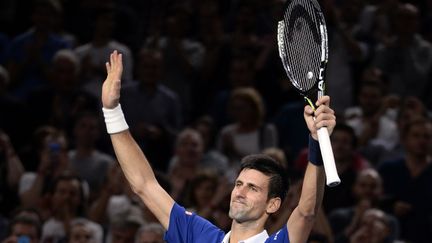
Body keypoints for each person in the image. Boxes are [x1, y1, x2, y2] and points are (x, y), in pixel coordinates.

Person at [100, 50, 336, 242]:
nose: (240, 192)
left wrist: (316, 141)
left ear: (273, 204)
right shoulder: (199, 235)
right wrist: (112, 112)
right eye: (239, 184)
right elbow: (144, 185)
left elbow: (306, 212)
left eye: (253, 188)